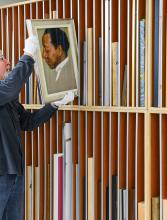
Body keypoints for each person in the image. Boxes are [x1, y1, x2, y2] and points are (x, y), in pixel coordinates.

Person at [0, 36, 75, 220]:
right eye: (2, 58)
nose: (8, 61)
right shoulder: (6, 92)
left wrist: (54, 105)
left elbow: (28, 122)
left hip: (14, 174)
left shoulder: (7, 97)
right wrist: (27, 56)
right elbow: (11, 88)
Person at [42, 28, 77, 94]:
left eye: (47, 50)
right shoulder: (55, 73)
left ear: (59, 50)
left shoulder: (72, 74)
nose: (43, 55)